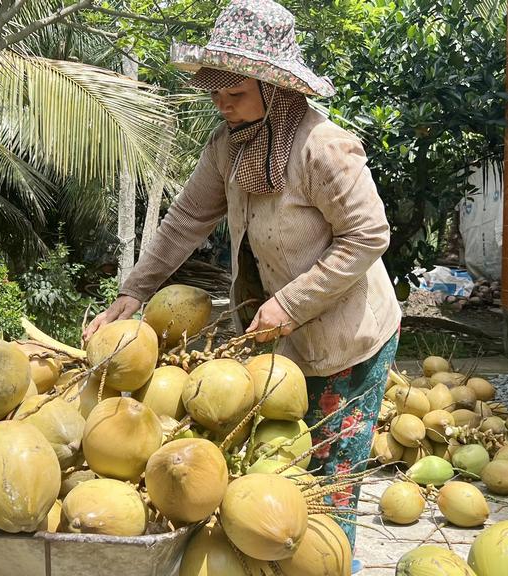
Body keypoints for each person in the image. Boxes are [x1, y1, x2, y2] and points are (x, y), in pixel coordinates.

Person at [83, 0, 401, 564]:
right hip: (273, 337)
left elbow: (369, 235)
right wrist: (134, 291)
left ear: (274, 91)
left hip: (345, 340)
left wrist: (292, 303)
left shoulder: (323, 148)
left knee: (328, 479)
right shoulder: (230, 146)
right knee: (274, 475)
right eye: (217, 95)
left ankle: (333, 562)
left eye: (236, 96)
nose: (223, 107)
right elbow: (185, 221)